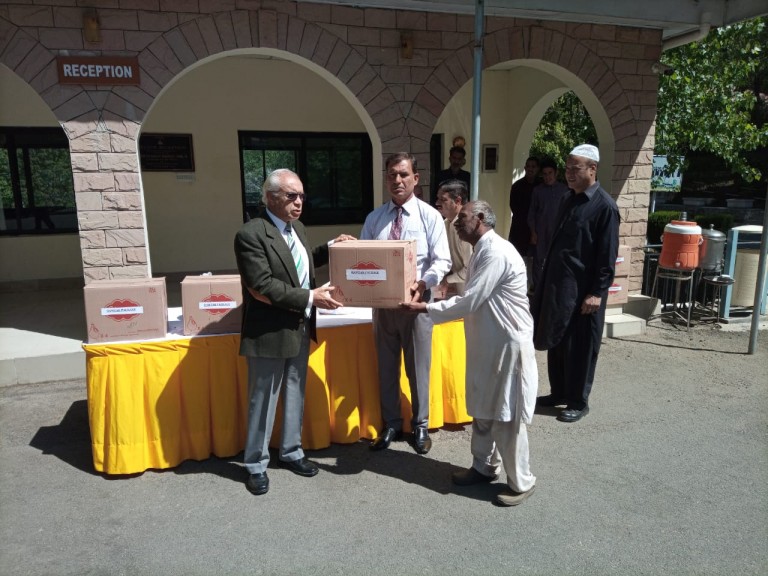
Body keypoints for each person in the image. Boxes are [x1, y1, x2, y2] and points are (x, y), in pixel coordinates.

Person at [401, 200, 538, 507]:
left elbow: (471, 300)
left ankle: (522, 482)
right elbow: (472, 295)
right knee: (482, 408)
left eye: (462, 217)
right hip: (486, 343)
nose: (456, 223)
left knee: (506, 416)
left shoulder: (497, 252)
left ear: (480, 219)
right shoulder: (481, 251)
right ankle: (483, 466)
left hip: (506, 346)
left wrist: (425, 308)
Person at [234, 168, 354, 496]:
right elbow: (261, 286)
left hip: (299, 326)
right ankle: (255, 464)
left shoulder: (296, 228)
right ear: (270, 197)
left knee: (294, 393)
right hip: (269, 331)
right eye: (291, 196)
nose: (299, 202)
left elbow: (298, 262)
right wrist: (311, 297)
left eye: (301, 196)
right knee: (263, 400)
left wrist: (331, 246)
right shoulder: (250, 234)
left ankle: (291, 451)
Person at [361, 152, 451, 454]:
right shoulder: (375, 219)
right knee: (386, 367)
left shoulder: (430, 216)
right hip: (383, 307)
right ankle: (391, 423)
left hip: (417, 306)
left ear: (415, 178)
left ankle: (420, 424)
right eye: (391, 175)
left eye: (403, 174)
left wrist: (423, 283)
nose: (397, 180)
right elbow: (363, 260)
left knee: (418, 368)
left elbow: (442, 260)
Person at [532, 144, 619, 423]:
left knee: (581, 346)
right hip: (560, 287)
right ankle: (558, 392)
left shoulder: (604, 206)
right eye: (567, 168)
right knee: (557, 340)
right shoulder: (568, 198)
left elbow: (607, 254)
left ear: (592, 169)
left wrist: (597, 292)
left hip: (584, 291)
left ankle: (578, 401)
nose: (569, 173)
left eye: (575, 168)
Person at [527, 157, 569, 289]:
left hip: (558, 232)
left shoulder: (565, 190)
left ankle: (554, 287)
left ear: (556, 173)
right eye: (544, 174)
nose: (547, 177)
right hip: (541, 231)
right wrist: (533, 232)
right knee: (538, 260)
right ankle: (538, 289)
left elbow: (569, 213)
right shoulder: (538, 191)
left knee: (557, 259)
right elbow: (532, 213)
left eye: (550, 173)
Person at [434, 179, 473, 298]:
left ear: (457, 201)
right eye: (437, 198)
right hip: (461, 293)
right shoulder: (445, 224)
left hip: (474, 294)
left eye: (443, 200)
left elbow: (470, 269)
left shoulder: (468, 228)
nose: (437, 203)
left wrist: (447, 280)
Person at [507, 156, 540, 262]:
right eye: (528, 166)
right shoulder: (517, 186)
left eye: (533, 167)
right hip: (520, 228)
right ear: (525, 168)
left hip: (537, 228)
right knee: (516, 258)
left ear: (538, 169)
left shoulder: (541, 186)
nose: (530, 169)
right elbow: (513, 206)